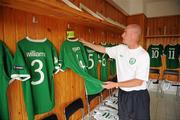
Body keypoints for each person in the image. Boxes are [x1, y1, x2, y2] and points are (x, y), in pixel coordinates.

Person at [80, 24, 150, 120]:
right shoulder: (120, 48)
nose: (122, 35)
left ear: (133, 36)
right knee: (123, 117)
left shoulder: (143, 55)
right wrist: (86, 43)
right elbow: (102, 49)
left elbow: (138, 81)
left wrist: (115, 84)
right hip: (123, 93)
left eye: (125, 32)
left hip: (138, 96)